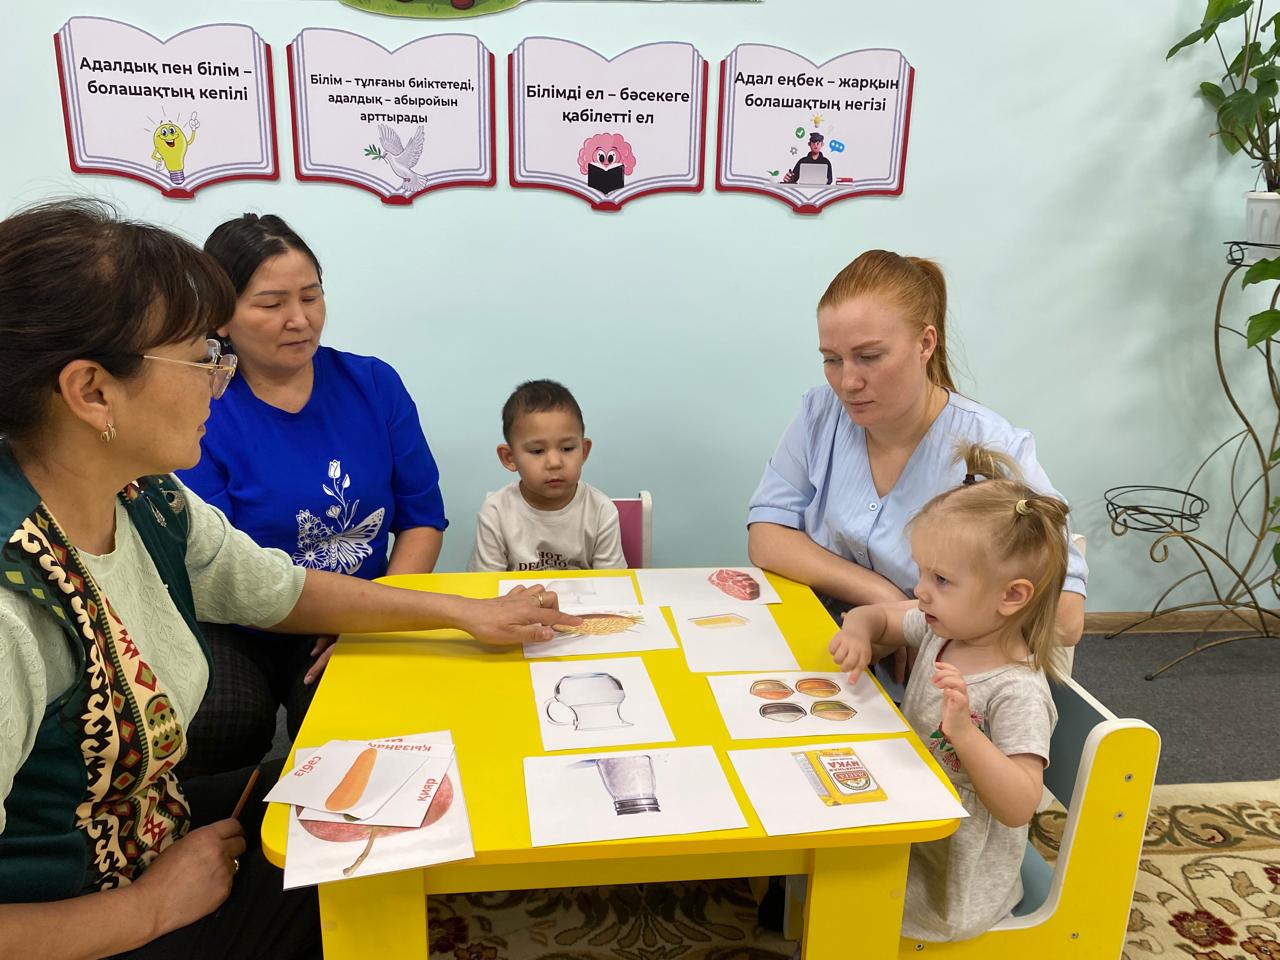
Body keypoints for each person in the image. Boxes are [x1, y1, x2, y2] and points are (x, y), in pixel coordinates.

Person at [0, 199, 577, 960]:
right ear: (92, 391)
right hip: (83, 910)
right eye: (202, 357)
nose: (219, 381)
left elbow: (281, 587)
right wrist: (146, 909)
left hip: (149, 825)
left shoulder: (146, 499)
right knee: (363, 876)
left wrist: (461, 612)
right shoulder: (13, 610)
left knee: (387, 788)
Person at [177, 213, 449, 777]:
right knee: (221, 725)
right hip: (237, 619)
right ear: (221, 317)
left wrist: (376, 615)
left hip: (357, 608)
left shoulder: (373, 384)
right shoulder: (201, 404)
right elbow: (218, 567)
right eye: (272, 303)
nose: (299, 320)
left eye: (310, 296)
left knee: (356, 722)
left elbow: (422, 519)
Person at [746, 250, 1086, 652]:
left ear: (925, 344)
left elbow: (1064, 618)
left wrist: (909, 623)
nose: (848, 382)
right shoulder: (819, 413)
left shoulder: (993, 448)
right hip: (826, 634)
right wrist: (882, 596)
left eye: (869, 357)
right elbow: (766, 537)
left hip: (934, 665)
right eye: (832, 360)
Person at [829, 444, 1065, 942]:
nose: (920, 591)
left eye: (940, 579)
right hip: (912, 822)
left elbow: (1020, 805)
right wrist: (859, 629)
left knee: (841, 886)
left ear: (1011, 596)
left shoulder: (1017, 691)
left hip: (952, 881)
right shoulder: (944, 630)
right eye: (920, 571)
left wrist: (965, 734)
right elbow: (881, 617)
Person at [468, 379, 626, 572]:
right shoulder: (496, 512)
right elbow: (486, 586)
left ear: (583, 451)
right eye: (537, 451)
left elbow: (612, 584)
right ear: (509, 457)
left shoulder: (601, 511)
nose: (554, 463)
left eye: (567, 448)